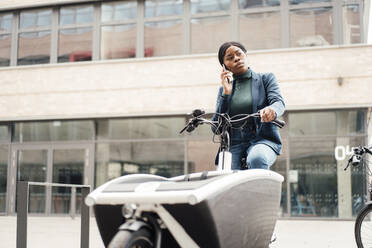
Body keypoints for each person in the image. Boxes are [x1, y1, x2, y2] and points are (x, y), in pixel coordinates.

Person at [212, 41, 285, 170]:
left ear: (245, 55)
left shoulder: (266, 79)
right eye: (230, 58)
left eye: (239, 54)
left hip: (262, 139)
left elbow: (278, 103)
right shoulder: (223, 90)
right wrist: (226, 94)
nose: (236, 58)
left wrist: (272, 110)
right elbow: (216, 128)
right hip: (233, 144)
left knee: (257, 158)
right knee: (224, 174)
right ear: (225, 67)